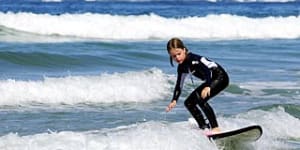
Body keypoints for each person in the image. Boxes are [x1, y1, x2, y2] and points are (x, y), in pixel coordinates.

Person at [165, 37, 229, 134]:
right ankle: (204, 127)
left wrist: (208, 86)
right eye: (174, 56)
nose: (177, 57)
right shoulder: (182, 67)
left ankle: (215, 128)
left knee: (201, 100)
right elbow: (179, 84)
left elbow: (207, 71)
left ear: (184, 50)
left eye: (179, 54)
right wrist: (174, 100)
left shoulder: (193, 59)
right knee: (189, 103)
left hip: (220, 77)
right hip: (210, 80)